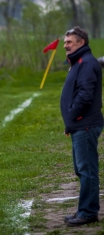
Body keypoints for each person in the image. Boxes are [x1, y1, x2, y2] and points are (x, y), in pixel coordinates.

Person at [60, 26, 103, 227]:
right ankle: (86, 209)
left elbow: (85, 96)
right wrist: (70, 122)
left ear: (81, 43)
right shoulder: (79, 61)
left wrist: (72, 117)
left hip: (85, 124)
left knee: (87, 170)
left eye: (69, 42)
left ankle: (88, 212)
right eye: (65, 42)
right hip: (79, 124)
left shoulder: (85, 63)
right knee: (81, 169)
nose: (65, 45)